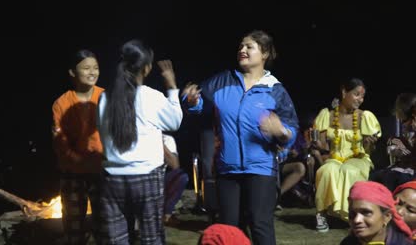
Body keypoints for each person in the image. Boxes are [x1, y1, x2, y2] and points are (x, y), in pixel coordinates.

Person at [182, 30, 299, 245]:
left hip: (261, 169)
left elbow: (291, 127)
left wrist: (281, 131)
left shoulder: (275, 89)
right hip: (228, 168)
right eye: (241, 47)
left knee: (259, 224)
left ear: (264, 54)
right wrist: (191, 101)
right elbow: (199, 105)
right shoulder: (222, 82)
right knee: (229, 228)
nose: (242, 50)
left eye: (249, 47)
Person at [96, 40, 183, 245]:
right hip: (146, 178)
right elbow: (175, 121)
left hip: (112, 180)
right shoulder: (152, 96)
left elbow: (102, 136)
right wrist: (172, 87)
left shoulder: (104, 98)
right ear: (147, 67)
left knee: (116, 240)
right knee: (150, 239)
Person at [313, 78, 382, 232]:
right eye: (356, 94)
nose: (360, 100)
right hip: (335, 157)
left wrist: (370, 142)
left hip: (358, 158)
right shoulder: (327, 115)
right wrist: (317, 144)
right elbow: (322, 144)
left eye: (362, 96)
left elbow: (369, 149)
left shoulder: (365, 116)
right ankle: (321, 214)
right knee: (326, 171)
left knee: (348, 171)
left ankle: (351, 214)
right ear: (344, 92)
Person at [51, 49, 104, 244]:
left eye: (96, 68)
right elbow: (60, 142)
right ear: (73, 72)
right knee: (74, 227)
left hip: (102, 171)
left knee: (105, 224)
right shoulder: (61, 103)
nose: (92, 72)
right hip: (72, 173)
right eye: (86, 68)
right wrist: (78, 161)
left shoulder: (105, 97)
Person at [340, 181, 413, 245]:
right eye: (352, 213)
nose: (356, 220)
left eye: (366, 212)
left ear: (387, 217)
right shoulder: (348, 242)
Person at [162, 133, 189, 226]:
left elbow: (174, 165)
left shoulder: (167, 139)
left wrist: (159, 142)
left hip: (159, 177)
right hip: (140, 175)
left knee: (181, 177)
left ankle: (167, 214)